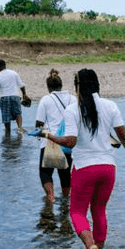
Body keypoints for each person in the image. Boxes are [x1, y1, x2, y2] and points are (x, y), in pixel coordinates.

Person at [44, 68, 125, 249]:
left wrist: (49, 136)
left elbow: (70, 142)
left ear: (78, 86)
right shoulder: (110, 106)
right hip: (108, 168)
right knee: (99, 210)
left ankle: (89, 245)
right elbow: (124, 137)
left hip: (85, 168)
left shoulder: (73, 109)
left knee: (76, 212)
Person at [34, 69, 75, 203]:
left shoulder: (46, 100)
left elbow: (39, 124)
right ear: (61, 85)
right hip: (67, 143)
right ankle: (66, 201)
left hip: (49, 142)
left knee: (45, 172)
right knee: (65, 174)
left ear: (48, 87)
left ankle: (50, 198)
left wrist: (38, 135)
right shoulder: (72, 99)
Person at [0, 59, 31, 134]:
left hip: (4, 98)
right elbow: (21, 85)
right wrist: (24, 94)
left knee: (6, 118)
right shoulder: (14, 73)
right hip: (15, 96)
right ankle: (19, 128)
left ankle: (7, 133)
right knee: (18, 114)